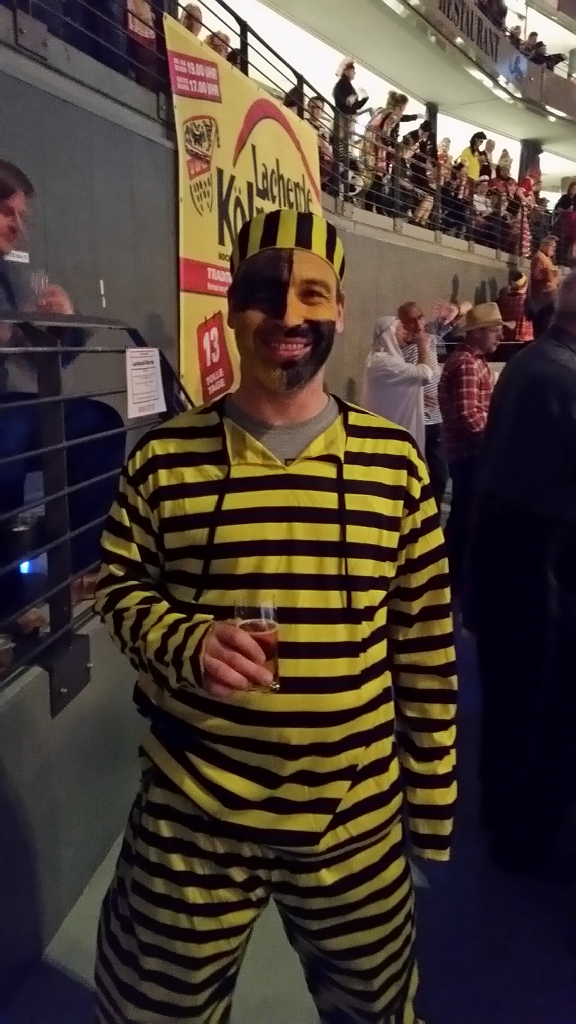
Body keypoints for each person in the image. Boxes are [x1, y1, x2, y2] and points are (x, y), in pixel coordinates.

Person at [93, 209, 457, 1024]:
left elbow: (425, 646)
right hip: (191, 807)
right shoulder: (164, 458)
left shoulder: (394, 467)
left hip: (355, 812)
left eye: (312, 295)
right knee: (148, 1009)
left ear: (340, 310)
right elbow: (118, 586)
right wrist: (184, 641)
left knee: (377, 1010)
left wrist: (430, 805)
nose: (289, 315)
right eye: (264, 292)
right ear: (231, 308)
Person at [472, 270, 576, 880]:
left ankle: (499, 811)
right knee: (546, 709)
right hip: (548, 571)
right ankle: (523, 839)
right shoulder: (565, 378)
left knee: (508, 697)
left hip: (508, 557)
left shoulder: (527, 365)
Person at [0, 160, 125, 628]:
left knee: (100, 424)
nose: (18, 226)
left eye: (22, 216)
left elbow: (36, 363)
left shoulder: (7, 278)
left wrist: (62, 327)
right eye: (6, 211)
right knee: (8, 441)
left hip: (6, 407)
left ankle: (78, 568)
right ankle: (7, 602)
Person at [438, 302, 508, 593]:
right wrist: (494, 441)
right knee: (466, 517)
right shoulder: (468, 364)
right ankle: (453, 578)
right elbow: (469, 416)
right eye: (494, 330)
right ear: (477, 332)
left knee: (464, 515)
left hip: (465, 454)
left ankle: (451, 576)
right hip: (471, 455)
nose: (500, 336)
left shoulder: (467, 360)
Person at [403, 300, 468, 508]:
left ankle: (433, 513)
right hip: (416, 420)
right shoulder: (398, 348)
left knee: (440, 474)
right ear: (402, 324)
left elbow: (465, 310)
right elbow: (393, 383)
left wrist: (457, 310)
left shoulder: (431, 334)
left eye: (420, 317)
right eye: (411, 321)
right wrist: (414, 395)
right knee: (416, 473)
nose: (417, 324)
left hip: (436, 418)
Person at [362, 303, 432, 451]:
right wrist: (422, 345)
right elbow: (425, 374)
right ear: (390, 334)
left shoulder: (388, 360)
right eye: (401, 329)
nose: (406, 333)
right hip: (390, 432)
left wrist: (415, 394)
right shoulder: (384, 362)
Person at [332, 59, 368, 196]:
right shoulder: (341, 86)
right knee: (343, 150)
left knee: (346, 150)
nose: (355, 73)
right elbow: (348, 102)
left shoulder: (345, 86)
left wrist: (363, 99)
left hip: (348, 123)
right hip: (344, 121)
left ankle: (342, 189)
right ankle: (339, 189)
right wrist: (357, 97)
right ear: (347, 71)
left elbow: (354, 105)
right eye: (353, 70)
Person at [530, 234, 559, 336]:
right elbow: (536, 275)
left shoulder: (548, 259)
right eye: (552, 246)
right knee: (543, 329)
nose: (554, 249)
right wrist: (549, 273)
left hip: (549, 301)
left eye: (555, 247)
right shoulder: (539, 257)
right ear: (545, 245)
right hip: (542, 302)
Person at [497, 270, 534, 343]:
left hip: (505, 341)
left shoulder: (503, 300)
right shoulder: (527, 301)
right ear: (525, 284)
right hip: (523, 342)